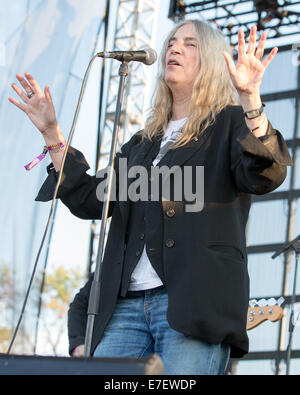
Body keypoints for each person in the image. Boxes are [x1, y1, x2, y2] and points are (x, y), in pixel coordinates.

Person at [9, 20, 292, 375]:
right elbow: (91, 198)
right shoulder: (141, 144)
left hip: (193, 303)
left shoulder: (229, 124)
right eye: (172, 41)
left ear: (212, 61)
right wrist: (52, 134)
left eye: (190, 44)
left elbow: (266, 173)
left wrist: (250, 99)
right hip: (125, 307)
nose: (174, 48)